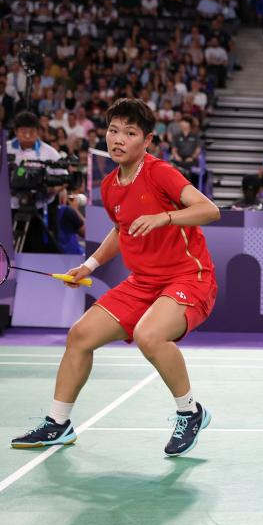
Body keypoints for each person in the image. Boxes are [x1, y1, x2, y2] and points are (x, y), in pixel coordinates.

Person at [11, 98, 221, 456]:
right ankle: (59, 423)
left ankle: (190, 412)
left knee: (149, 335)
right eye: (113, 131)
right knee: (80, 335)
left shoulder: (160, 173)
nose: (118, 139)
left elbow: (210, 210)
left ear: (147, 140)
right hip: (143, 282)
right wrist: (89, 266)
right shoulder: (109, 186)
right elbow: (120, 232)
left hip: (188, 276)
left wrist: (165, 218)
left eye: (130, 132)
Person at [7, 111, 65, 253]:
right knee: (7, 250)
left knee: (35, 250)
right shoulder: (5, 148)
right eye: (23, 132)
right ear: (15, 131)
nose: (27, 136)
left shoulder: (49, 152)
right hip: (9, 209)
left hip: (37, 209)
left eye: (32, 132)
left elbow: (64, 179)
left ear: (38, 131)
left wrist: (51, 190)